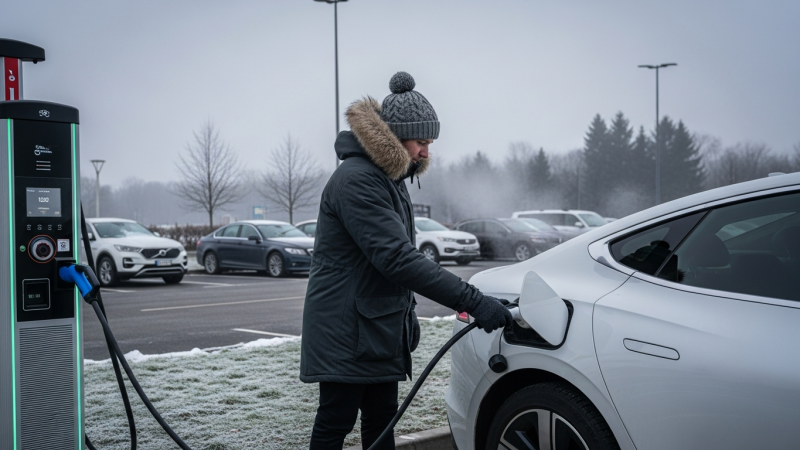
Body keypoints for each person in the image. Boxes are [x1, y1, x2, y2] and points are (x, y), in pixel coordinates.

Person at [300, 71, 513, 450]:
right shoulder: (358, 180)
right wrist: (473, 301)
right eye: (421, 141)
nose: (427, 153)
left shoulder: (388, 179)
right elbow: (398, 259)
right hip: (346, 330)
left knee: (382, 421)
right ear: (396, 137)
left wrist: (403, 314)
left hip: (374, 327)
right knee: (336, 421)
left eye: (430, 143)